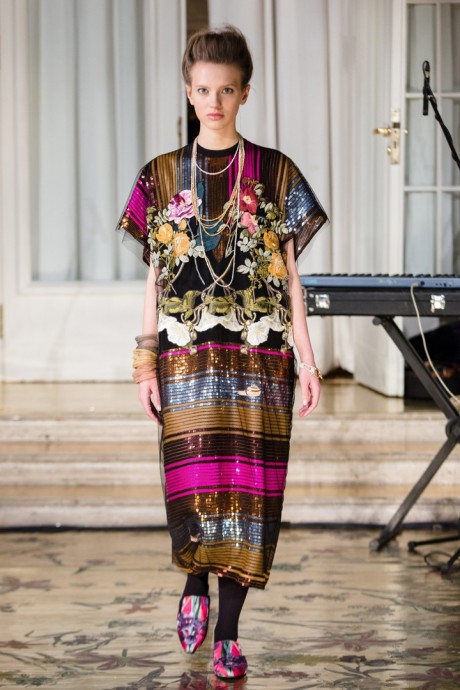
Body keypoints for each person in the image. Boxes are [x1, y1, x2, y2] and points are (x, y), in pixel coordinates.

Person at [117, 25, 328, 680]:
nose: (214, 102)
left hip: (261, 361)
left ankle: (229, 635)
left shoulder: (276, 172)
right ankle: (193, 583)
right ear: (189, 91)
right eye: (204, 90)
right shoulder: (158, 178)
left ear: (244, 93)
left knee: (250, 495)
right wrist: (144, 362)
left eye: (227, 91)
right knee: (193, 486)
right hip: (184, 361)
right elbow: (154, 279)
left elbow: (291, 279)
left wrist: (309, 358)